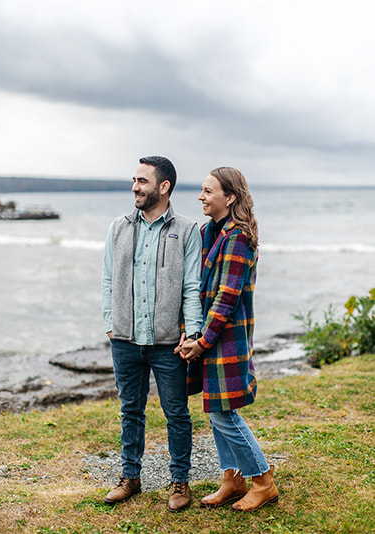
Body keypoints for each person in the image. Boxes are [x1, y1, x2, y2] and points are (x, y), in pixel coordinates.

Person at [100, 156, 204, 512]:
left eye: (142, 181)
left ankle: (180, 481)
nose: (135, 187)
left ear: (164, 187)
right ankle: (130, 477)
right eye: (134, 179)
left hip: (167, 343)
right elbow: (107, 279)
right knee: (131, 410)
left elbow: (192, 286)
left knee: (176, 412)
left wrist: (193, 332)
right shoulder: (118, 227)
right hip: (126, 340)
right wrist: (110, 323)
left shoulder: (188, 231)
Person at [176, 167, 277, 512]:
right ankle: (232, 479)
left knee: (222, 413)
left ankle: (263, 480)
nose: (201, 197)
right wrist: (188, 333)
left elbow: (227, 295)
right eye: (201, 191)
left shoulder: (237, 236)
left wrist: (203, 340)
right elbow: (196, 289)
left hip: (226, 336)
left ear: (229, 197)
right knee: (216, 407)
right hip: (207, 333)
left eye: (208, 191)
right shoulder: (208, 231)